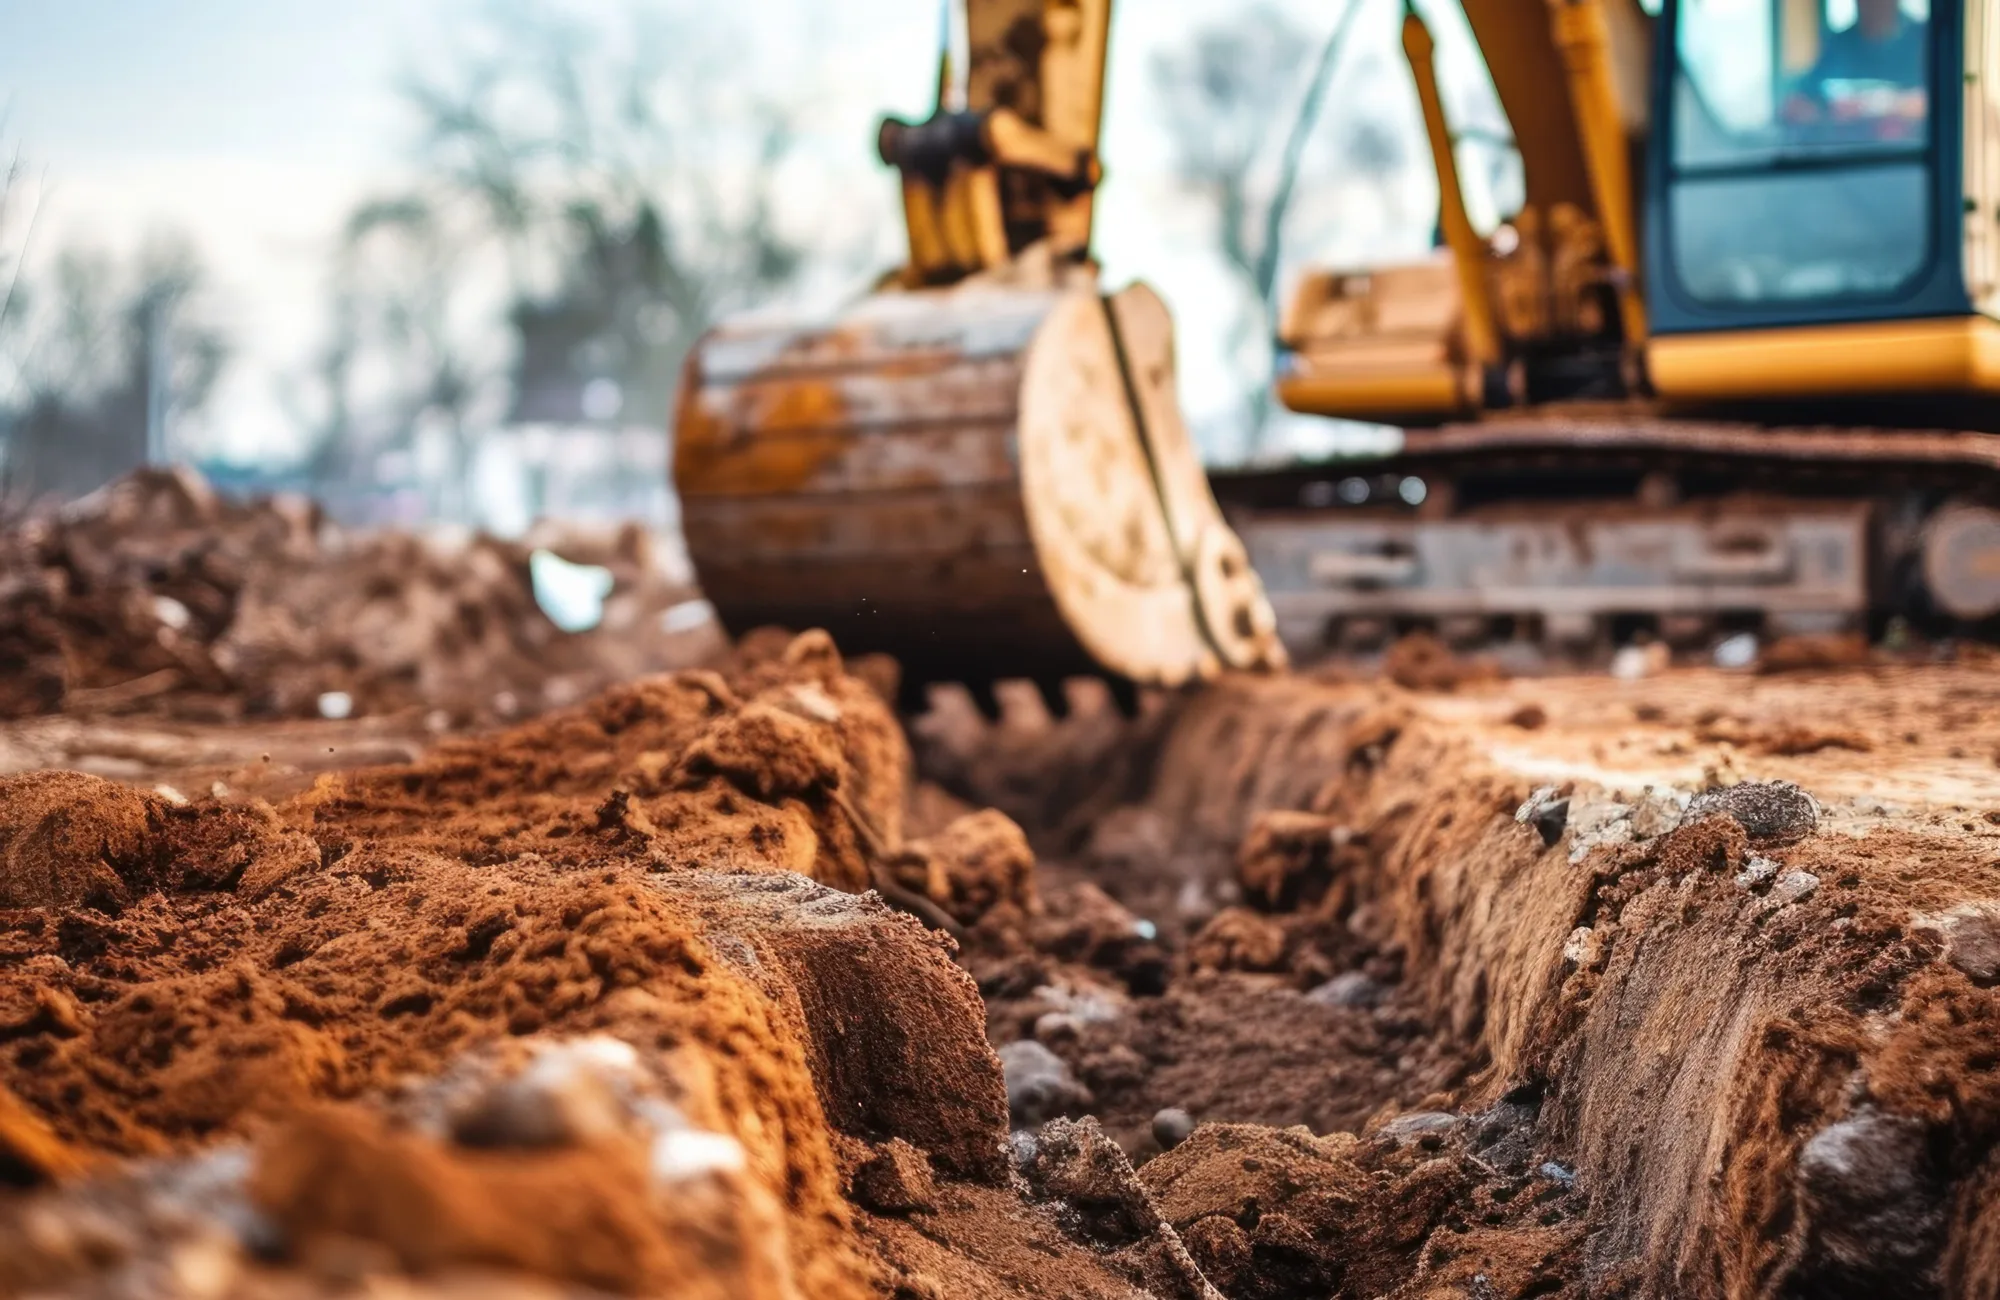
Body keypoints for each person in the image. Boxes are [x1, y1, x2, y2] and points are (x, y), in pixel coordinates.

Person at [1783, 0, 1928, 130]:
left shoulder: (1925, 39)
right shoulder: (1838, 45)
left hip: (1909, 155)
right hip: (1846, 151)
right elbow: (1798, 103)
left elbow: (1938, 102)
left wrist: (1875, 105)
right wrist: (1823, 113)